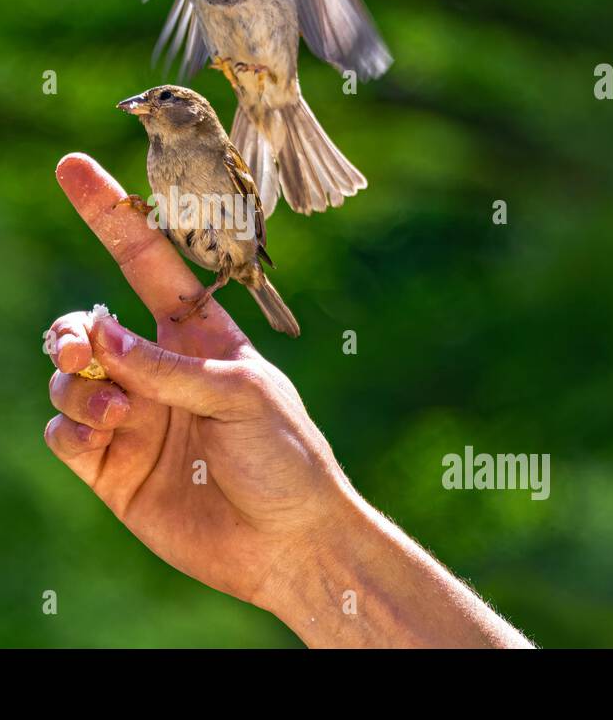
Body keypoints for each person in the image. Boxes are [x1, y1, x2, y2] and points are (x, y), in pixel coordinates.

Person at [44, 153, 533, 648]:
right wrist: (302, 543)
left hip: (234, 256)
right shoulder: (165, 157)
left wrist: (302, 549)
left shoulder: (214, 152)